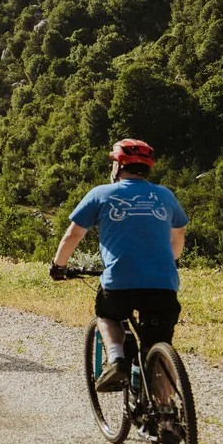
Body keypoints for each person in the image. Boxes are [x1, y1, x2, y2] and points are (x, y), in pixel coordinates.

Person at [50, 139, 189, 393]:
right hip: (163, 284)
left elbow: (73, 235)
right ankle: (168, 416)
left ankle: (115, 359)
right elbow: (178, 236)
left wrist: (58, 266)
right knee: (158, 347)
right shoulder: (165, 196)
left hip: (120, 282)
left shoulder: (101, 193)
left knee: (107, 314)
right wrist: (171, 260)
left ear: (118, 165)